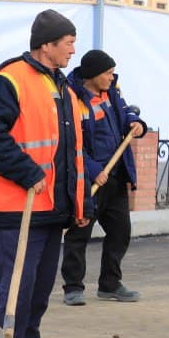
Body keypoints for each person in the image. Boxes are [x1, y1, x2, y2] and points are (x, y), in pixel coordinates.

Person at [0, 9, 90, 338]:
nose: (73, 50)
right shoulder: (9, 80)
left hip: (51, 209)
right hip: (16, 206)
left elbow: (72, 154)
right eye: (68, 43)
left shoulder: (63, 87)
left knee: (39, 289)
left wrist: (79, 204)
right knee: (16, 288)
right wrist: (27, 172)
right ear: (47, 45)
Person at [60, 49, 148, 306]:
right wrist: (91, 169)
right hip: (88, 180)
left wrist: (137, 124)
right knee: (79, 233)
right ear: (93, 75)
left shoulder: (112, 92)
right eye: (107, 73)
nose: (112, 77)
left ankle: (110, 284)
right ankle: (73, 288)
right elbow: (70, 143)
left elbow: (126, 113)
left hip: (116, 175)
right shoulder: (73, 99)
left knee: (120, 231)